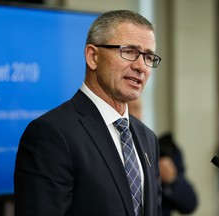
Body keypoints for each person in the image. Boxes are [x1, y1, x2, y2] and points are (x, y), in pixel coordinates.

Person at [14, 10, 162, 216]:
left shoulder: (148, 138)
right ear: (93, 56)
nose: (141, 66)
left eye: (149, 56)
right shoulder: (51, 134)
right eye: (129, 51)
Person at [128, 99, 198, 216]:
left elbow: (190, 204)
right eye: (131, 109)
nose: (138, 115)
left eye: (138, 109)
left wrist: (171, 179)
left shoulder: (161, 150)